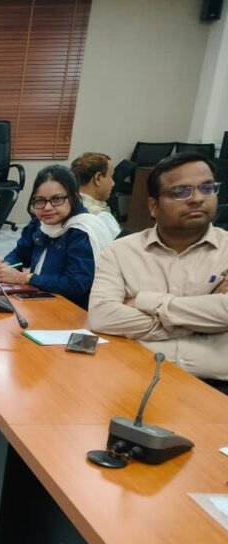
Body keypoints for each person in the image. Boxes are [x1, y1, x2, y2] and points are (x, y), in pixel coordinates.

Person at [89, 153, 228, 389]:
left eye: (206, 188)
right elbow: (102, 316)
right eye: (181, 191)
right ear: (154, 206)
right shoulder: (120, 252)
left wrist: (144, 301)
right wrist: (203, 320)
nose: (197, 199)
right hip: (135, 378)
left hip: (218, 386)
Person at [0, 165, 112, 308]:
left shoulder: (82, 231)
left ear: (73, 197)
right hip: (40, 297)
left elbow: (75, 285)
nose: (47, 208)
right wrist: (5, 266)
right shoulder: (39, 223)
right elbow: (21, 253)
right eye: (40, 200)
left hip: (72, 308)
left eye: (57, 199)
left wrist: (23, 278)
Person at [71, 151, 120, 239]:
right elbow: (121, 246)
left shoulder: (62, 207)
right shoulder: (102, 218)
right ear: (98, 178)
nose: (113, 183)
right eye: (111, 176)